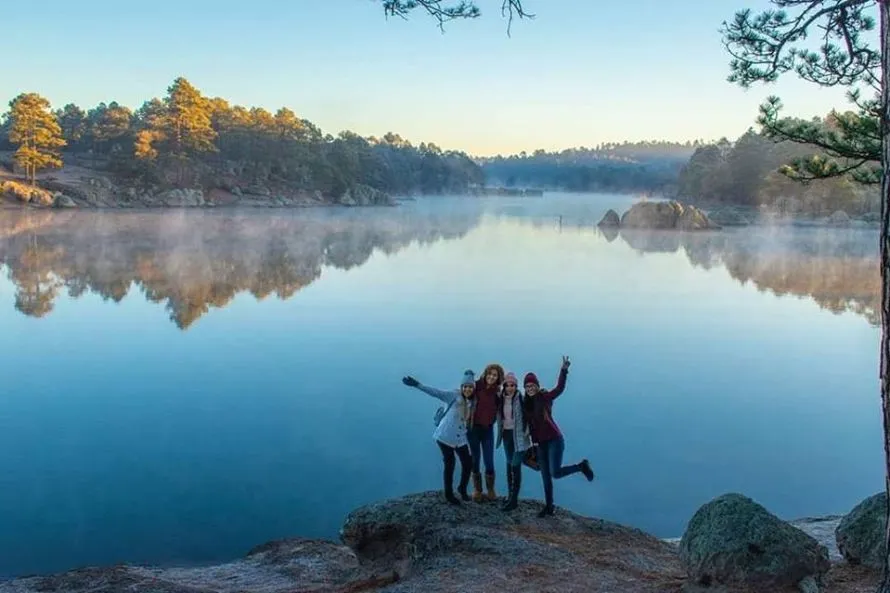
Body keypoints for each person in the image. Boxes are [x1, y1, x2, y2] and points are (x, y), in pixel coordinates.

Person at [523, 356, 594, 517]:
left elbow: (559, 389)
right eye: (527, 386)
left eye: (532, 385)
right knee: (545, 476)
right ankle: (549, 507)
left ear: (537, 385)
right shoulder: (525, 403)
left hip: (554, 439)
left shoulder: (544, 397)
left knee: (554, 472)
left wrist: (564, 370)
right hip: (540, 444)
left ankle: (581, 466)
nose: (530, 388)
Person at [401, 370, 475, 505]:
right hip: (445, 436)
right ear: (461, 387)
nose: (467, 389)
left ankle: (462, 489)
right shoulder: (453, 395)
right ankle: (448, 494)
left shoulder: (473, 401)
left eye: (470, 387)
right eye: (465, 386)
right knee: (450, 464)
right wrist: (418, 385)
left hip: (460, 438)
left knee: (468, 463)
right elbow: (435, 392)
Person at [469, 363, 504, 502]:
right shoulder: (476, 387)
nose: (491, 377)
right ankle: (477, 490)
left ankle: (490, 490)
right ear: (485, 374)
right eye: (489, 374)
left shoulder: (498, 394)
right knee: (475, 460)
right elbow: (463, 393)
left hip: (488, 429)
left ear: (498, 378)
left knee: (489, 461)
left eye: (494, 375)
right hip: (473, 429)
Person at [496, 371, 531, 512]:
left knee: (516, 465)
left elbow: (530, 413)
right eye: (507, 385)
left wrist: (527, 431)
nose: (510, 388)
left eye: (512, 385)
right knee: (509, 463)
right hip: (506, 434)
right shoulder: (500, 398)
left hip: (519, 436)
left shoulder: (521, 398)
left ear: (516, 386)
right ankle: (510, 495)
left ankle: (514, 500)